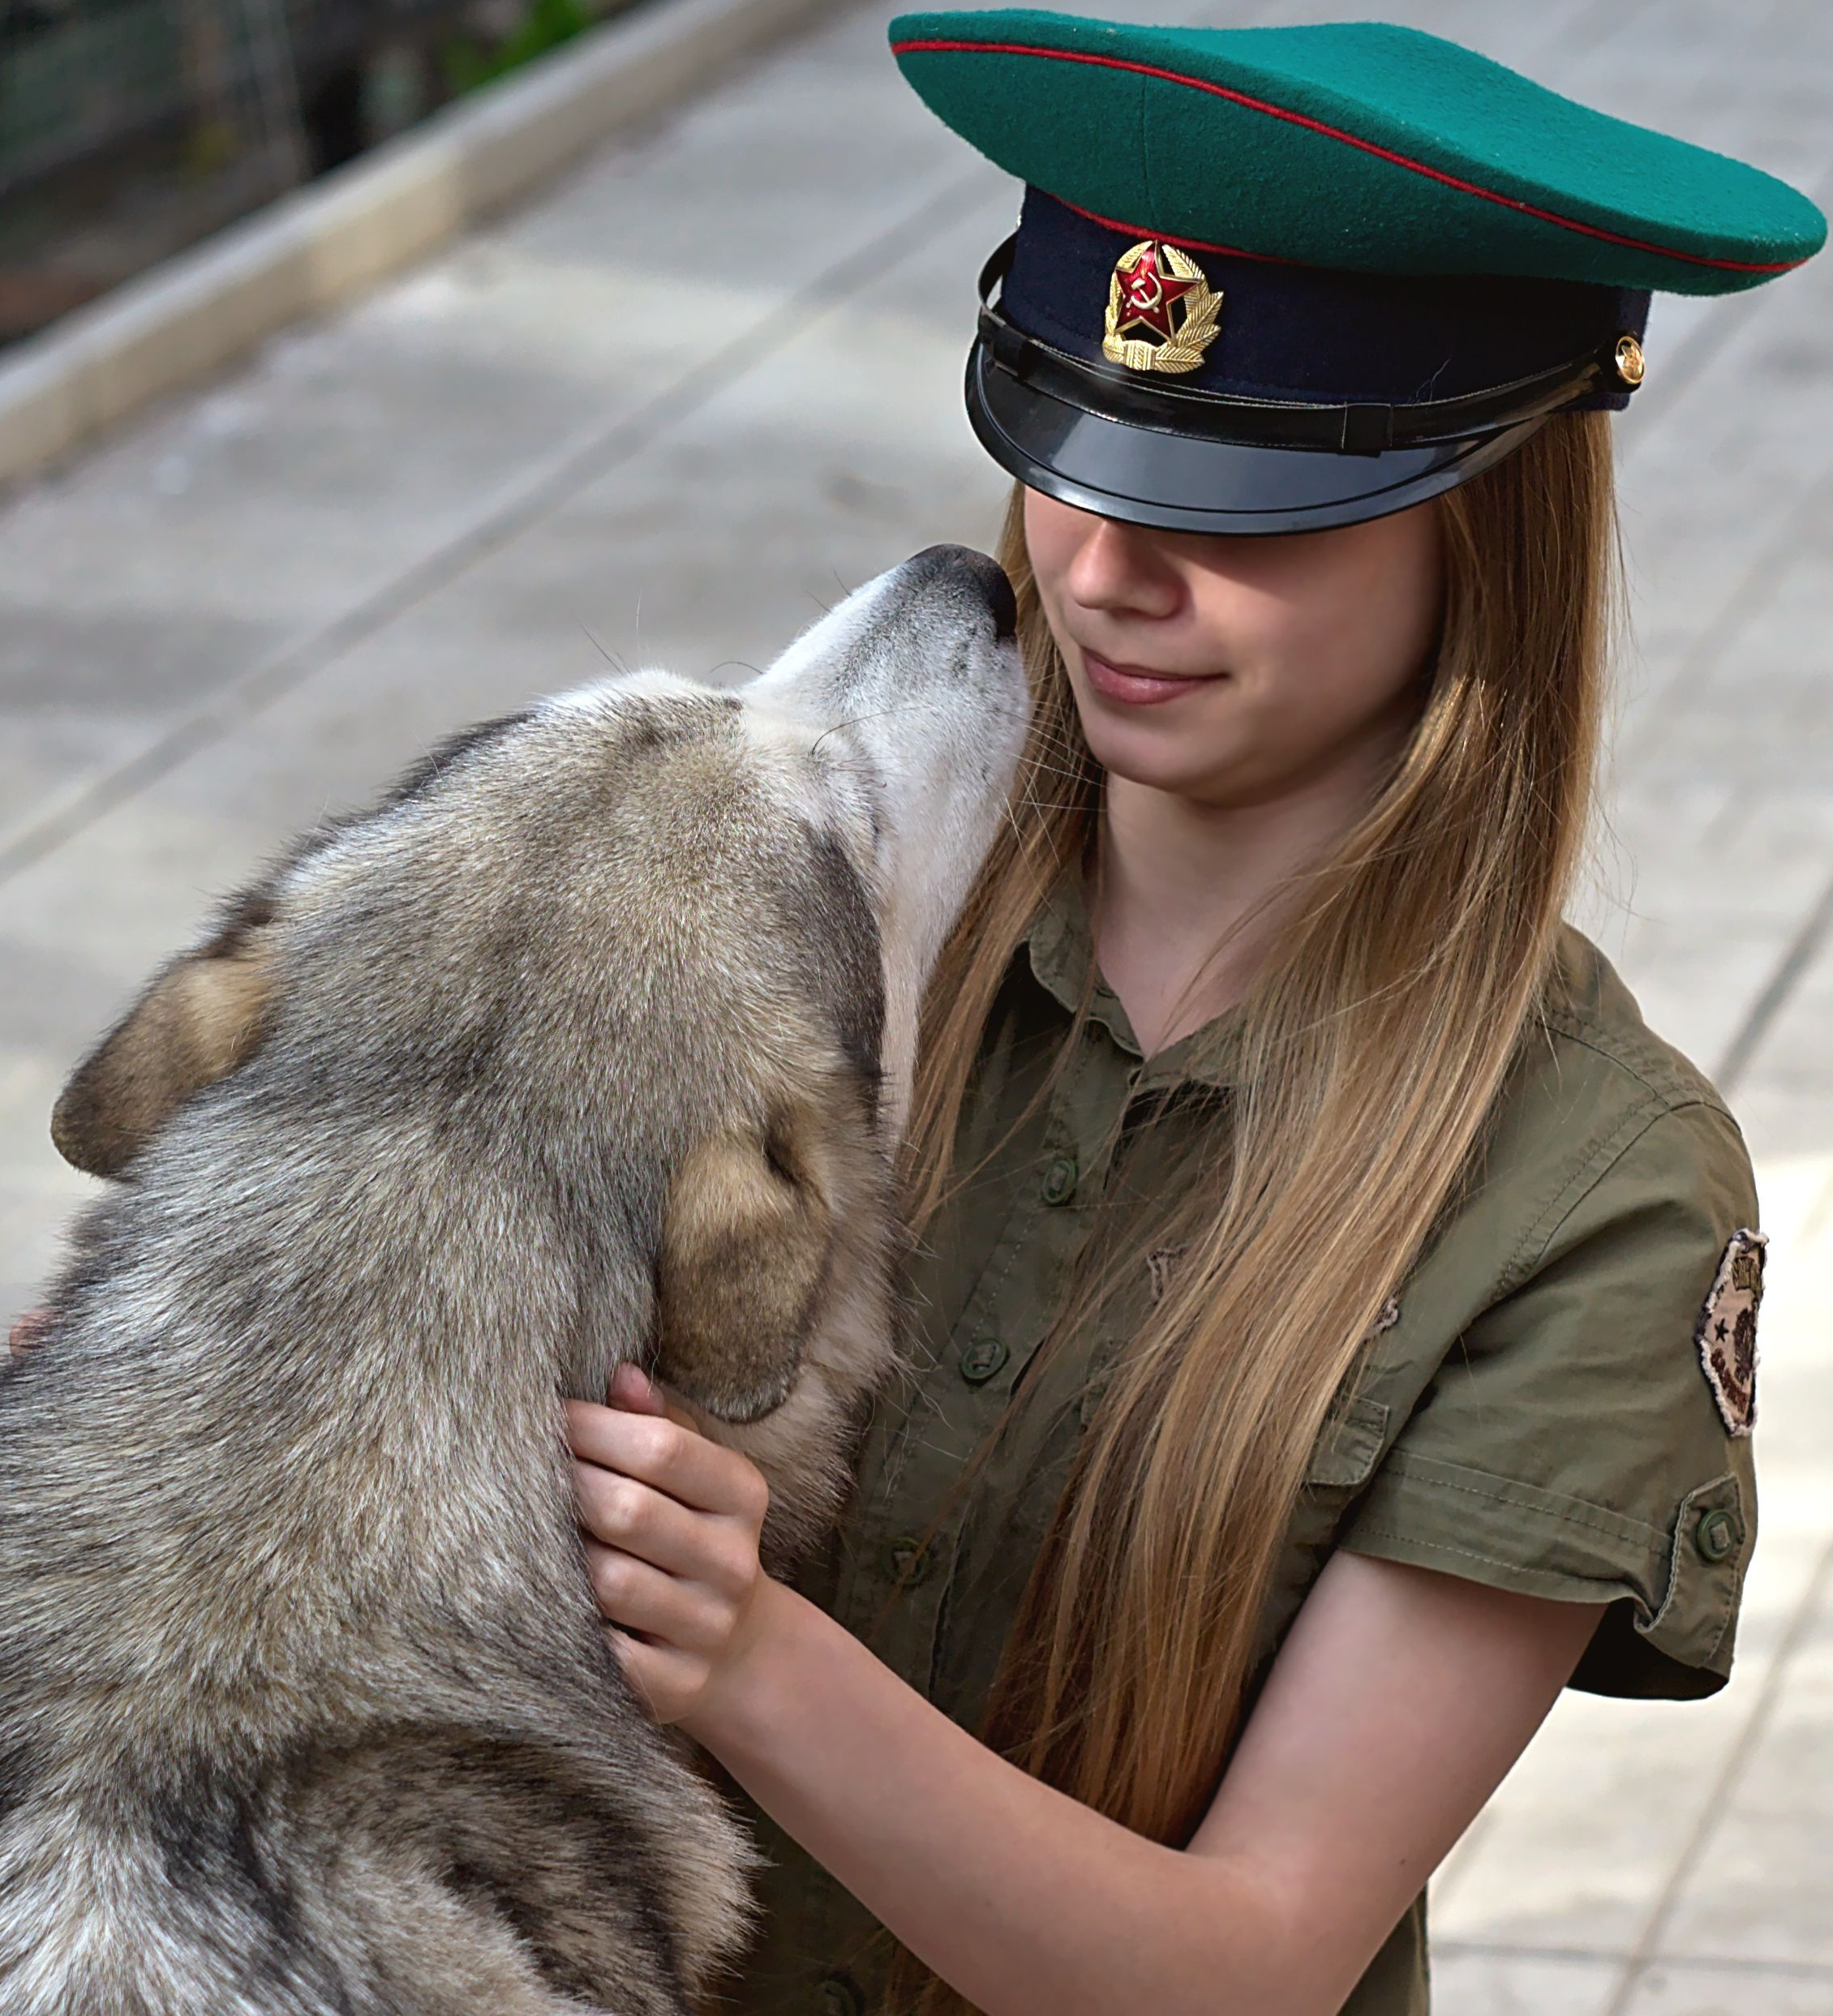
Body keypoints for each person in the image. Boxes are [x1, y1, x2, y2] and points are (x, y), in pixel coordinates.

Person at [561, 15, 1823, 2015]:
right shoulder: (797, 908)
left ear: (1480, 527)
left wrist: (749, 1656)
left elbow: (1240, 1969)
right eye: (1065, 453)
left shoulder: (1587, 1194)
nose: (1106, 569)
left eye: (1246, 504)